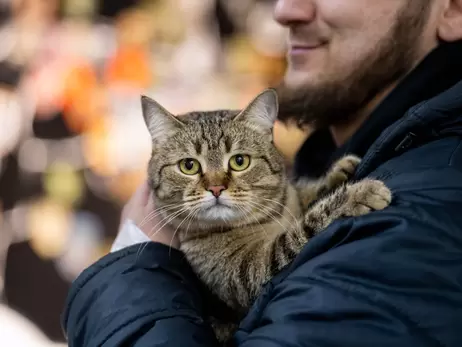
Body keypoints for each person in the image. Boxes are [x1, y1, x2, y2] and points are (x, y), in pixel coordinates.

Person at [62, 1, 462, 346]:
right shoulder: (366, 157)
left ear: (453, 8)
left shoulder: (425, 223)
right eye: (189, 167)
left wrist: (133, 262)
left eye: (238, 163)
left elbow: (262, 273)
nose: (284, 10)